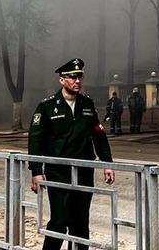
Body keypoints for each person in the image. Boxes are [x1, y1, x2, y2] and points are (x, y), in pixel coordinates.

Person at [29, 58, 115, 250]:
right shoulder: (47, 106)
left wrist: (107, 163)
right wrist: (36, 170)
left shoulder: (87, 104)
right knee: (59, 221)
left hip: (84, 170)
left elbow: (98, 134)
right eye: (72, 77)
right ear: (62, 80)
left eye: (80, 77)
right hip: (59, 171)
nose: (77, 81)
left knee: (81, 222)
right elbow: (35, 139)